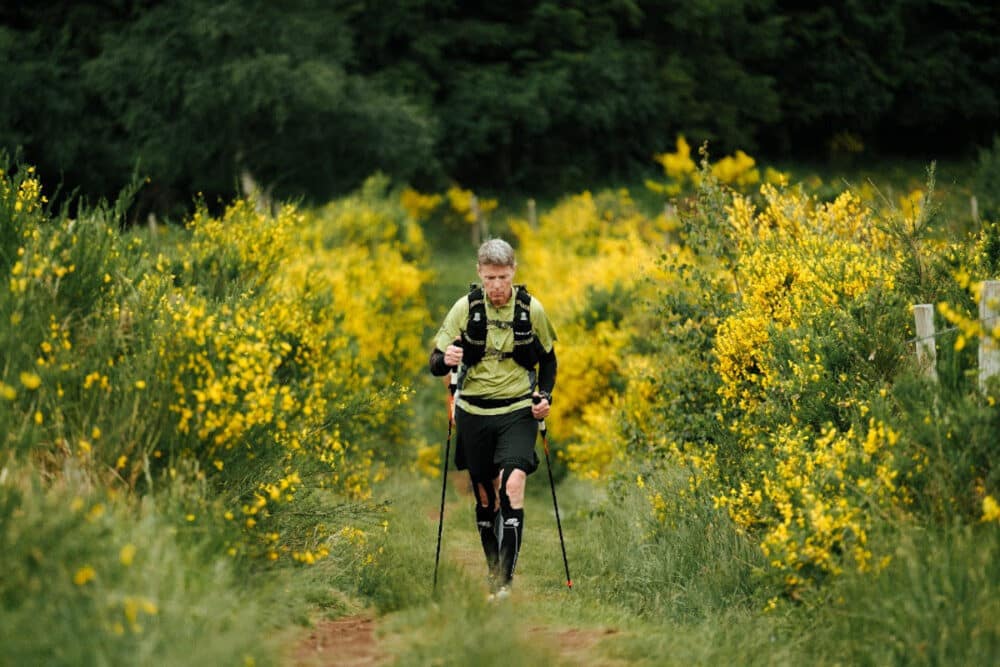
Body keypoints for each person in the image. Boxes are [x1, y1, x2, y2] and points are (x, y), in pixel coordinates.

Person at [429, 238, 557, 599]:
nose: (497, 286)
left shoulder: (532, 310)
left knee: (512, 485)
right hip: (473, 411)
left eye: (502, 277)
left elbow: (548, 361)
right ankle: (492, 570)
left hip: (517, 409)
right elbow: (435, 361)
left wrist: (544, 397)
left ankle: (505, 581)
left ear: (513, 271)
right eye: (489, 278)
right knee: (486, 499)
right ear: (480, 275)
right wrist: (447, 359)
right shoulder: (464, 309)